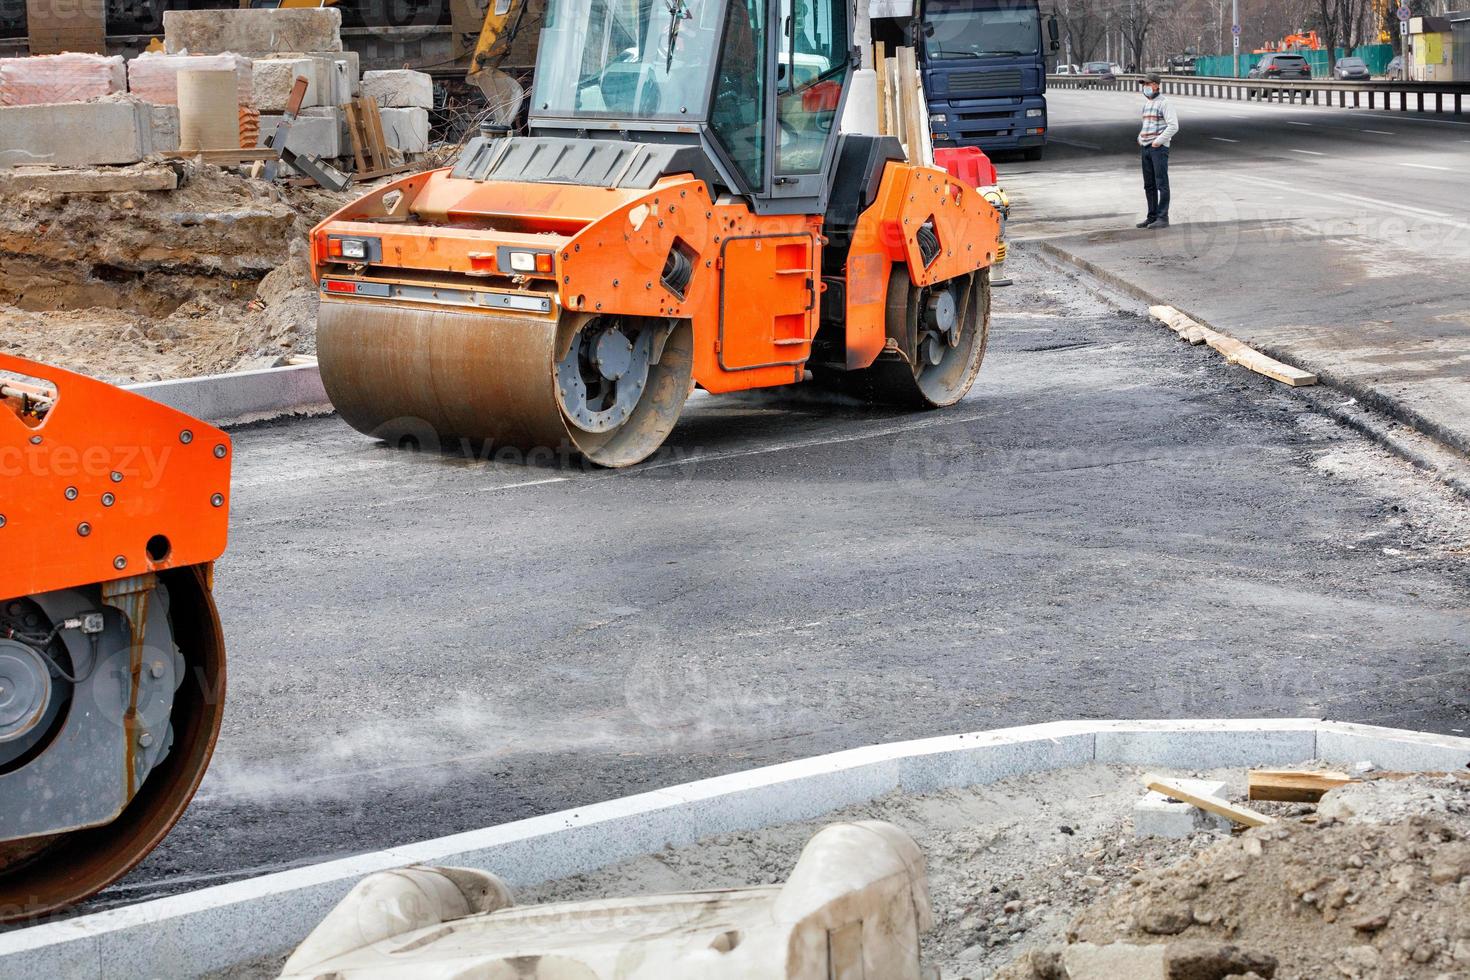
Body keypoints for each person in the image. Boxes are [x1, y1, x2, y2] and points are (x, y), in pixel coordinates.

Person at [1136, 72, 1179, 229]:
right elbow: (1147, 126)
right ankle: (1152, 216)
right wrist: (1141, 138)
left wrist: (1158, 141)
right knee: (1149, 184)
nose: (1145, 87)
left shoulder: (1164, 103)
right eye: (1144, 85)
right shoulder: (1147, 104)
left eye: (1147, 84)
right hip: (1146, 147)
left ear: (1156, 85)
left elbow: (1173, 126)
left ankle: (1163, 217)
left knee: (1161, 183)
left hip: (1158, 149)